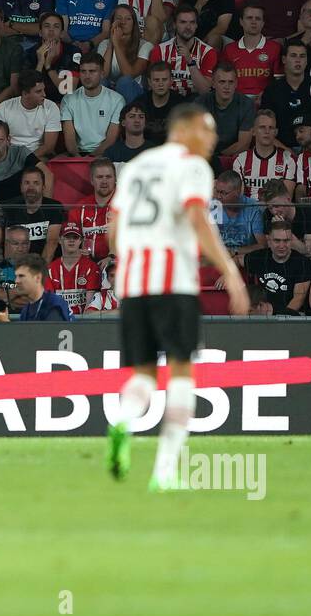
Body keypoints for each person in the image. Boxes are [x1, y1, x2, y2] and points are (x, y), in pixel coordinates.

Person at [105, 102, 248, 488]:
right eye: (208, 131)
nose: (213, 139)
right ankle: (165, 471)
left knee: (144, 373)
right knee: (182, 371)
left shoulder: (135, 167)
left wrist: (135, 254)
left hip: (133, 283)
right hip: (173, 281)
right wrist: (230, 270)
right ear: (183, 130)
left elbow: (112, 231)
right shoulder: (192, 166)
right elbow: (199, 218)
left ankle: (122, 420)